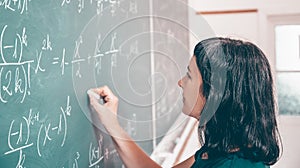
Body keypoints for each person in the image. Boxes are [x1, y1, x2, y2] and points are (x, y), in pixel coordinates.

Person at [88, 37, 281, 168]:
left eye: (189, 75)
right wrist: (113, 124)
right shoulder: (221, 149)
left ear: (214, 94)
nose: (180, 82)